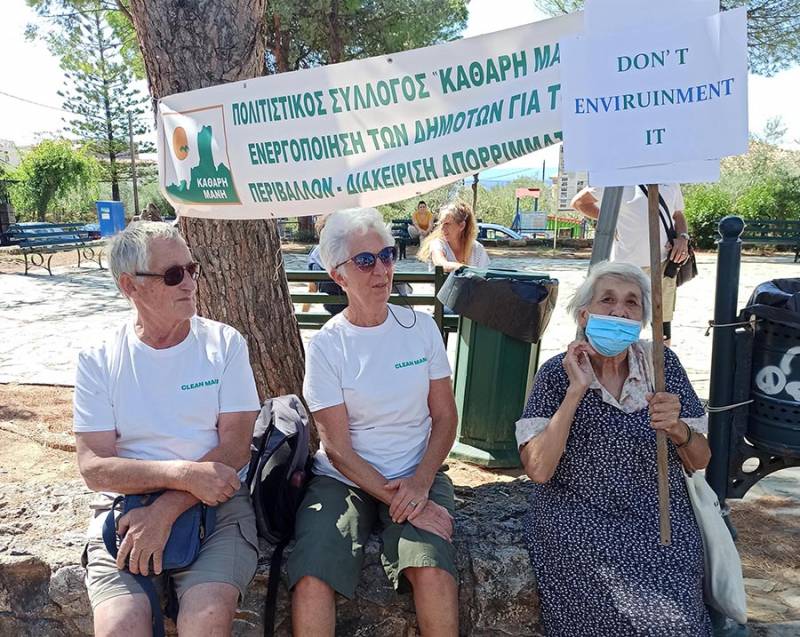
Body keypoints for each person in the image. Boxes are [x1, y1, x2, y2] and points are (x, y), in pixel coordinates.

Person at [73, 221, 261, 636]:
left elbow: (236, 447)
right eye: (174, 274)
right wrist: (182, 474)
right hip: (124, 510)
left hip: (218, 503)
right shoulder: (99, 358)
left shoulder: (224, 344)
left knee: (207, 619)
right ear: (130, 286)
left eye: (192, 269)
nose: (190, 283)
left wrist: (166, 508)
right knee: (121, 627)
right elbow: (94, 467)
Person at [516, 260, 712, 637]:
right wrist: (575, 392)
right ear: (585, 314)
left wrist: (678, 429)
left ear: (642, 319)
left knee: (677, 624)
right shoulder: (557, 373)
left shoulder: (662, 365)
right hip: (578, 520)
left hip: (659, 520)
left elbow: (700, 458)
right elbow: (538, 470)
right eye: (608, 300)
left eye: (632, 303)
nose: (620, 311)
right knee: (605, 617)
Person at [288, 207, 459, 636]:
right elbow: (337, 448)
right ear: (338, 274)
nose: (381, 269)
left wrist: (419, 486)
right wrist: (398, 500)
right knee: (312, 575)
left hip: (416, 471)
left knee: (433, 568)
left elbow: (444, 417)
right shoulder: (328, 346)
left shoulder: (421, 329)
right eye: (365, 261)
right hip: (344, 480)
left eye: (387, 254)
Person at [571, 184, 690, 345]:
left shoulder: (669, 177)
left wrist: (683, 238)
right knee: (617, 321)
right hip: (624, 267)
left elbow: (677, 214)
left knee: (662, 326)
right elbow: (579, 202)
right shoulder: (618, 176)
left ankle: (662, 366)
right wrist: (610, 220)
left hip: (663, 264)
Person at [417, 201, 490, 272]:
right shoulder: (437, 244)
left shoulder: (477, 249)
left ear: (461, 226)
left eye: (447, 224)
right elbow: (441, 264)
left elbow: (485, 277)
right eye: (441, 223)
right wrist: (471, 271)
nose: (442, 228)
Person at [305, 215, 346, 315]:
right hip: (355, 313)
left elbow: (312, 289)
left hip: (330, 312)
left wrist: (303, 314)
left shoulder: (316, 255)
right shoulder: (350, 251)